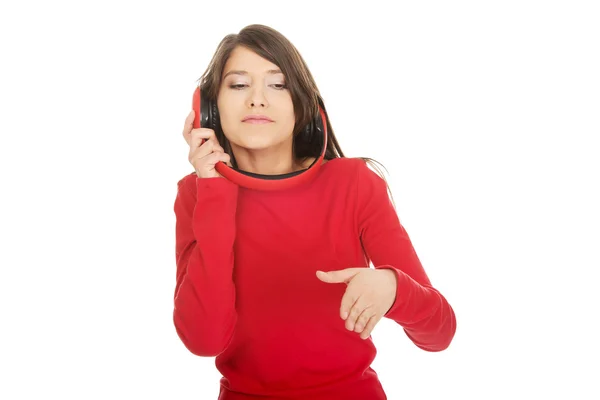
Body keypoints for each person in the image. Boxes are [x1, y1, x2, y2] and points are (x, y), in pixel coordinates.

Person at [173, 24, 456, 400]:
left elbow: (439, 333)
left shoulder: (355, 183)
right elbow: (203, 339)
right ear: (208, 108)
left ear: (302, 104)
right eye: (238, 85)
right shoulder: (197, 194)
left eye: (278, 85)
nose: (257, 99)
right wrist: (214, 190)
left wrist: (394, 288)